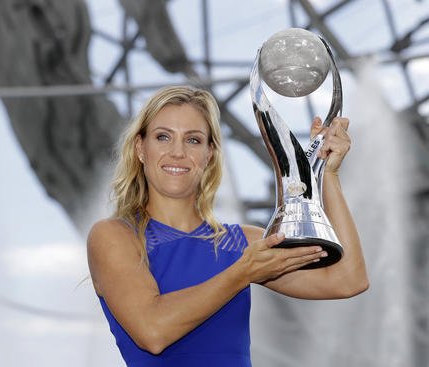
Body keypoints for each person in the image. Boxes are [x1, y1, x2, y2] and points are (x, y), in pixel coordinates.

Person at [87, 85, 368, 366]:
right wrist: (242, 272)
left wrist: (327, 172)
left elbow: (348, 280)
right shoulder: (115, 236)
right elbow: (153, 331)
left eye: (193, 140)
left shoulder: (242, 243)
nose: (177, 152)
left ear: (210, 153)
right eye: (163, 137)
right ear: (140, 148)